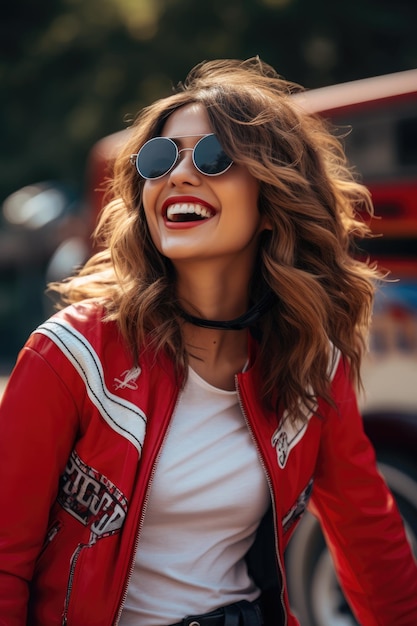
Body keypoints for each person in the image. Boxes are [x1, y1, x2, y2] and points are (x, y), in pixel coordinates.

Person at [0, 57, 416, 626]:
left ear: (272, 201)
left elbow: (370, 536)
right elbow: (4, 562)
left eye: (215, 157)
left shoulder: (311, 357)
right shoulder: (72, 355)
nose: (178, 175)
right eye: (159, 158)